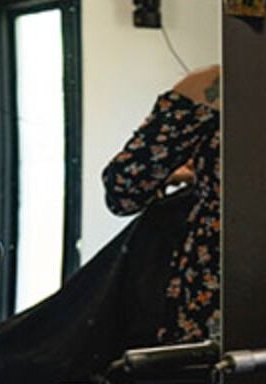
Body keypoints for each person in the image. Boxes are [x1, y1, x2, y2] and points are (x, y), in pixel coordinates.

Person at [102, 64, 222, 345]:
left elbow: (125, 190)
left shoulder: (211, 88)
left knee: (220, 382)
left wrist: (205, 176)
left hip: (220, 280)